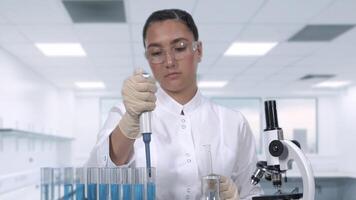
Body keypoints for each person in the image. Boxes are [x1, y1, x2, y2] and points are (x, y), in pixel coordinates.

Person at [86, 8, 262, 200]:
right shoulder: (126, 114)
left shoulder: (233, 122)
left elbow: (251, 192)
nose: (169, 61)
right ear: (148, 58)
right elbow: (93, 183)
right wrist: (128, 124)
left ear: (199, 51)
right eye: (156, 52)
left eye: (179, 48)